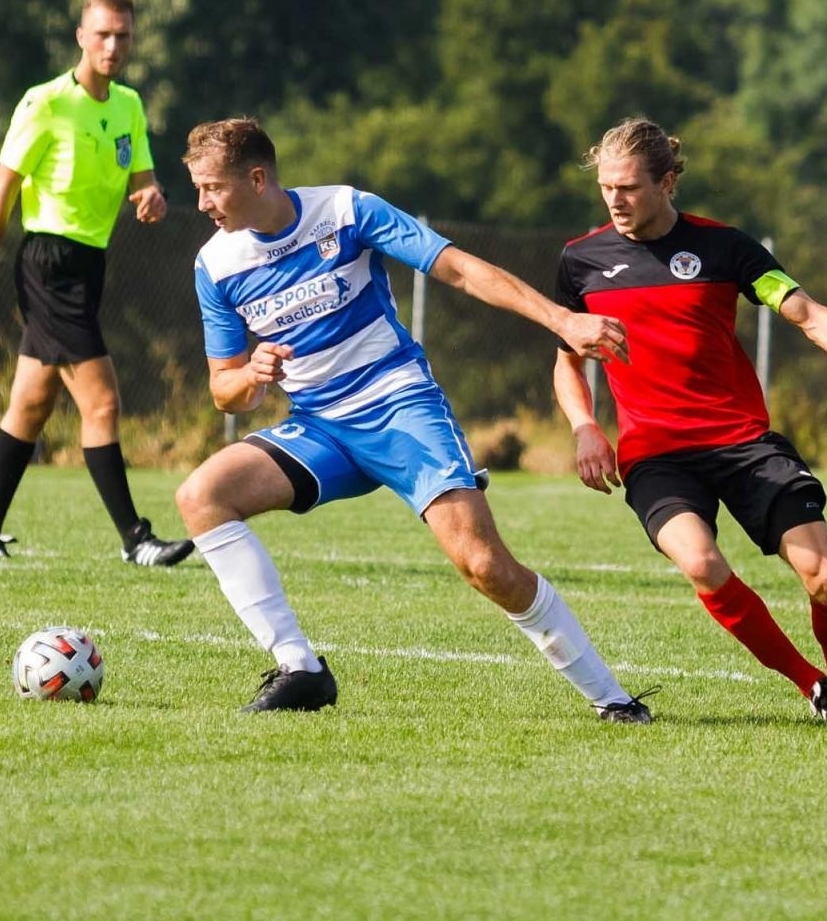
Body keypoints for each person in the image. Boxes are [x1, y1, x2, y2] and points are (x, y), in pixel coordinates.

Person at [174, 117, 653, 720]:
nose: (202, 204)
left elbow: (459, 268)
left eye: (212, 187)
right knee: (202, 496)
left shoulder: (346, 211)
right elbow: (226, 391)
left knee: (485, 567)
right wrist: (252, 375)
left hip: (400, 405)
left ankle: (613, 700)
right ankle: (301, 669)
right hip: (319, 426)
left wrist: (565, 321)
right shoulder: (214, 265)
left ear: (257, 177)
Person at [552, 118, 827, 729]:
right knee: (700, 562)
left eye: (629, 187)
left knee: (826, 578)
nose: (615, 201)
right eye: (605, 188)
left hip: (742, 441)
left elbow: (804, 312)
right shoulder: (581, 262)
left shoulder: (727, 249)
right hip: (655, 454)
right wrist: (583, 426)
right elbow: (567, 359)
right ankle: (815, 688)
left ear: (668, 182)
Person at [0, 0, 191, 567]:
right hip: (48, 264)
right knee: (102, 404)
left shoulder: (129, 105)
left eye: (123, 35)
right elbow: (2, 191)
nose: (113, 45)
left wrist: (152, 196)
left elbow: (141, 180)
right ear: (81, 36)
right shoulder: (46, 103)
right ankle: (136, 539)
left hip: (89, 264)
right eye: (103, 33)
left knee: (31, 404)